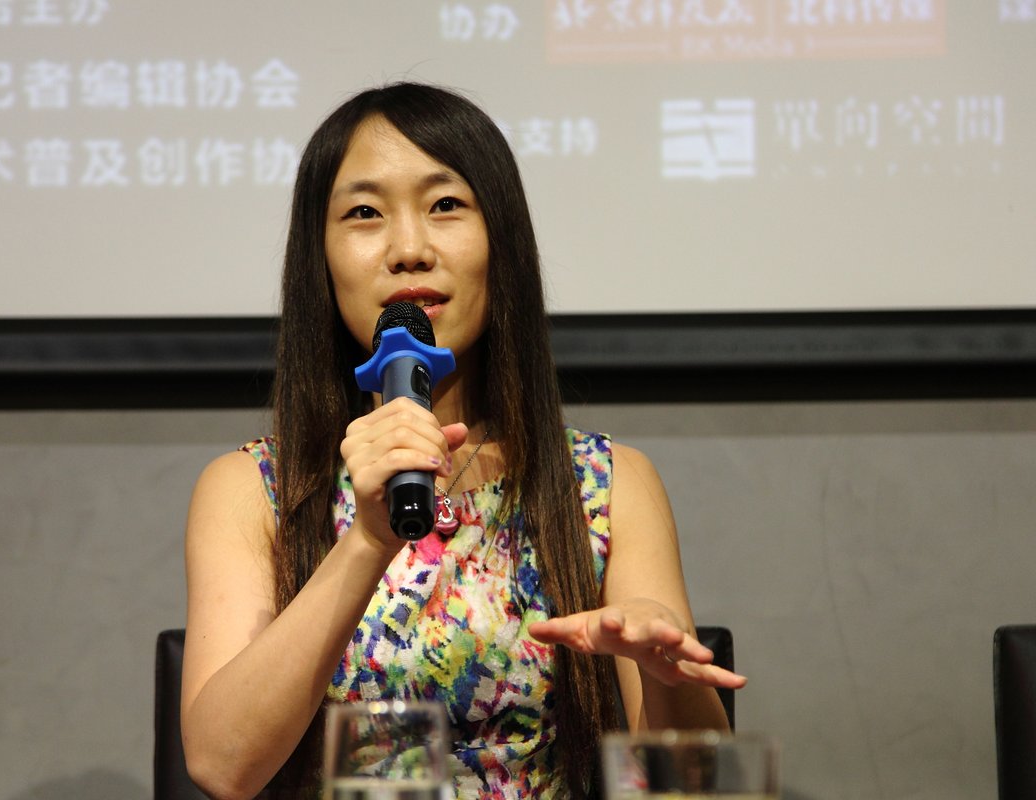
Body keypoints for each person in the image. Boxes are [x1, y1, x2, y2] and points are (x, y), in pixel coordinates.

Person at [180, 82, 746, 800]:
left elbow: (695, 788)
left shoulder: (605, 482)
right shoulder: (252, 488)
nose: (410, 249)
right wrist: (367, 539)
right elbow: (224, 768)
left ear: (499, 242)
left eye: (445, 205)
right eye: (363, 213)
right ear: (319, 258)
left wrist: (665, 674)